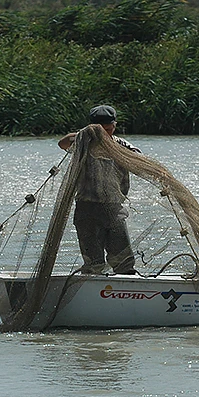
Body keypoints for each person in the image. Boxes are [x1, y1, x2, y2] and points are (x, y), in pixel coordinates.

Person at [58, 105, 141, 275]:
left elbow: (139, 159)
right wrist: (85, 134)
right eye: (101, 130)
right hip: (87, 209)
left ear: (115, 126)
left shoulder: (121, 144)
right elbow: (63, 143)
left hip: (114, 209)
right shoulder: (82, 143)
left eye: (109, 129)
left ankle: (124, 291)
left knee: (124, 262)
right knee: (93, 263)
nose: (106, 134)